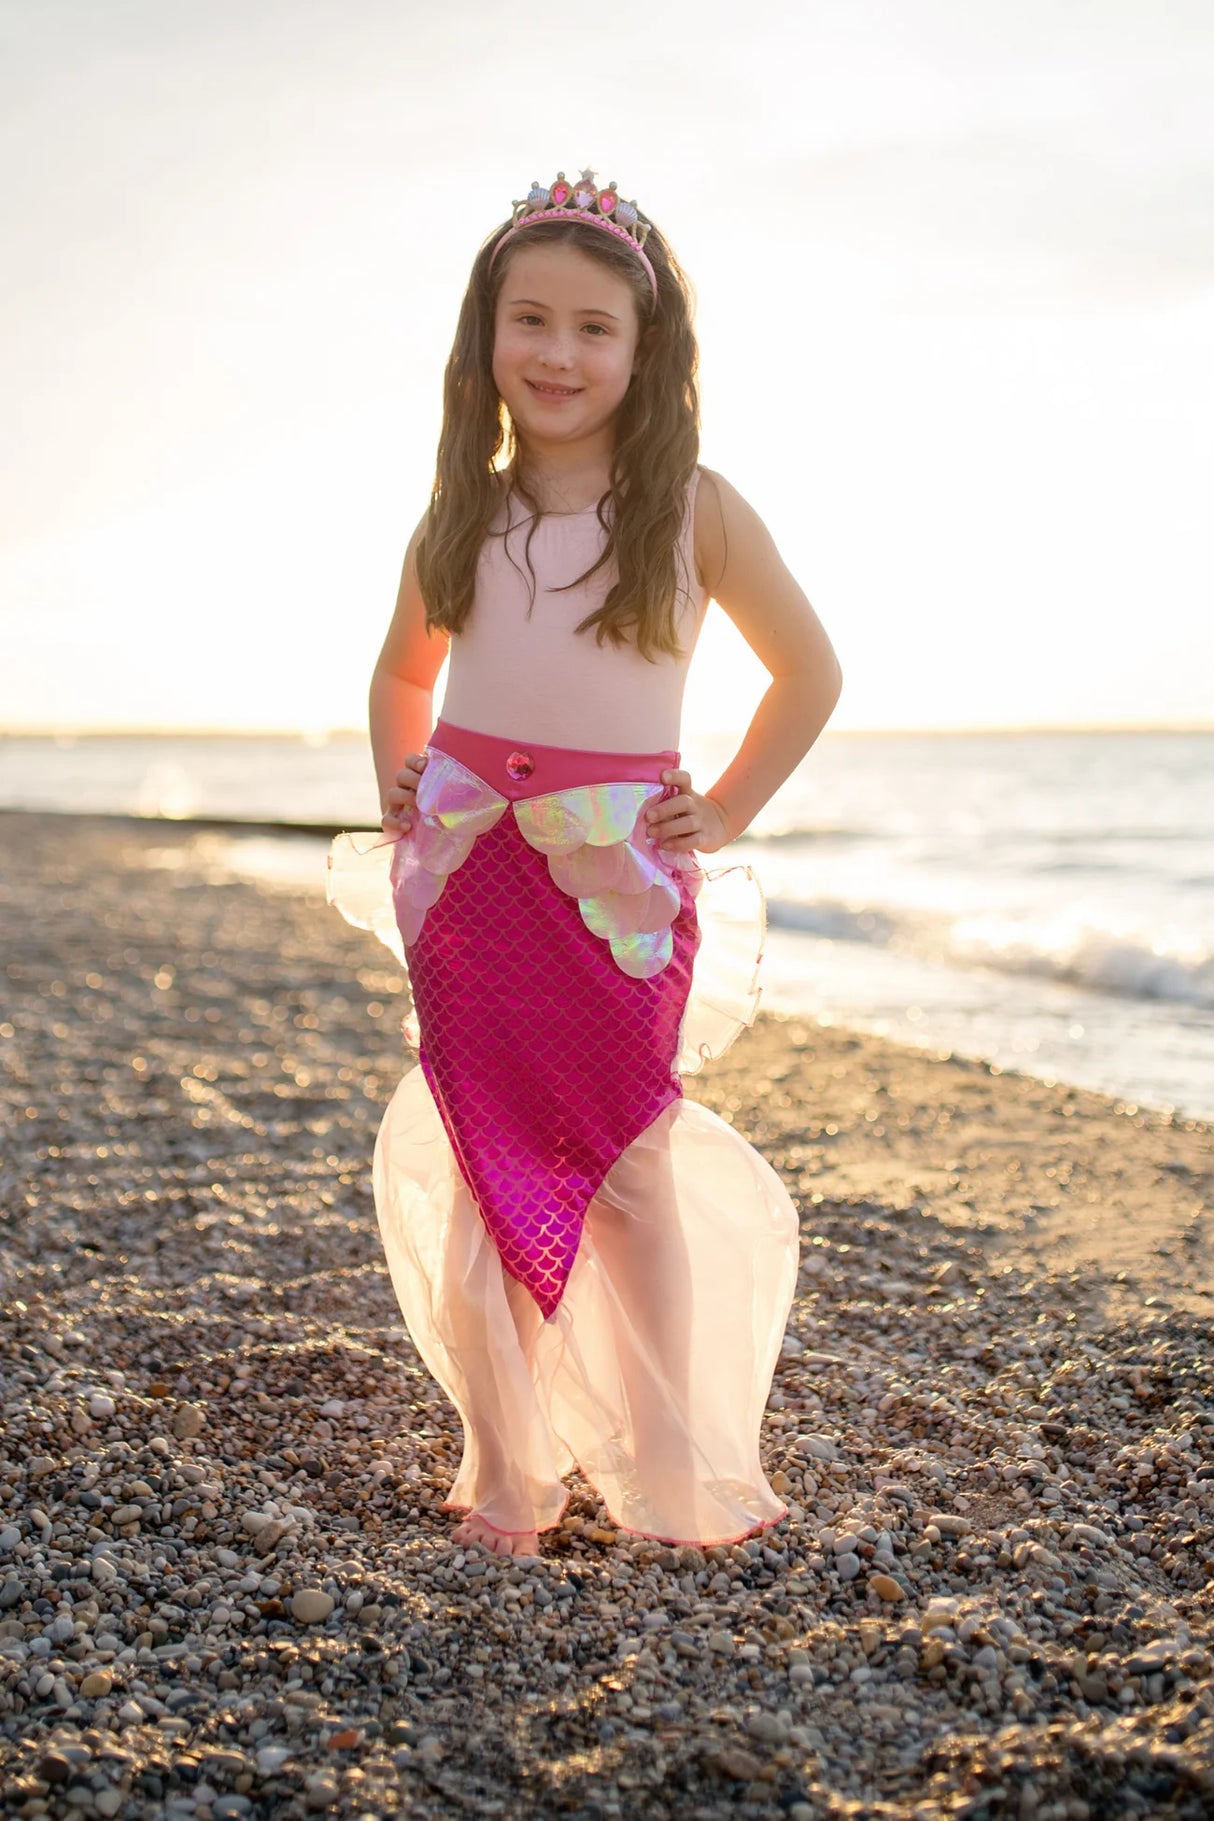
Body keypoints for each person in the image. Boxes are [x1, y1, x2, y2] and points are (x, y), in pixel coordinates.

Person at [326, 167, 843, 1561]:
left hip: (617, 882)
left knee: (626, 1165)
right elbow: (400, 672)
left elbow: (807, 672)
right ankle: (504, 1470)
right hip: (467, 876)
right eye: (529, 321)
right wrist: (401, 776)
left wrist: (722, 810)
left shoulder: (696, 510)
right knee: (488, 1157)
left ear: (643, 346)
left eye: (592, 328)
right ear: (484, 336)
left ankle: (670, 1473)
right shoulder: (462, 512)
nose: (557, 354)